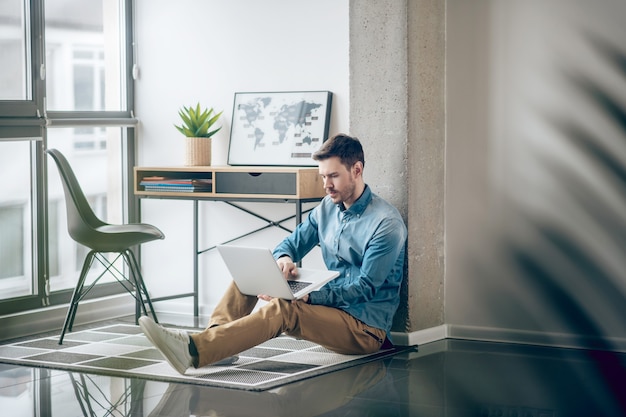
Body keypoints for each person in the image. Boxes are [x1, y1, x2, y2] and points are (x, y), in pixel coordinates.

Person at [139, 133, 408, 374]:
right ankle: (216, 348)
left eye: (333, 176)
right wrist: (284, 260)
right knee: (252, 274)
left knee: (284, 310)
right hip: (331, 308)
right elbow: (290, 244)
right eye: (322, 176)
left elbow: (364, 289)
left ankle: (194, 350)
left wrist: (309, 296)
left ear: (357, 170)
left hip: (364, 329)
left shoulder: (386, 224)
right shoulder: (327, 207)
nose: (326, 184)